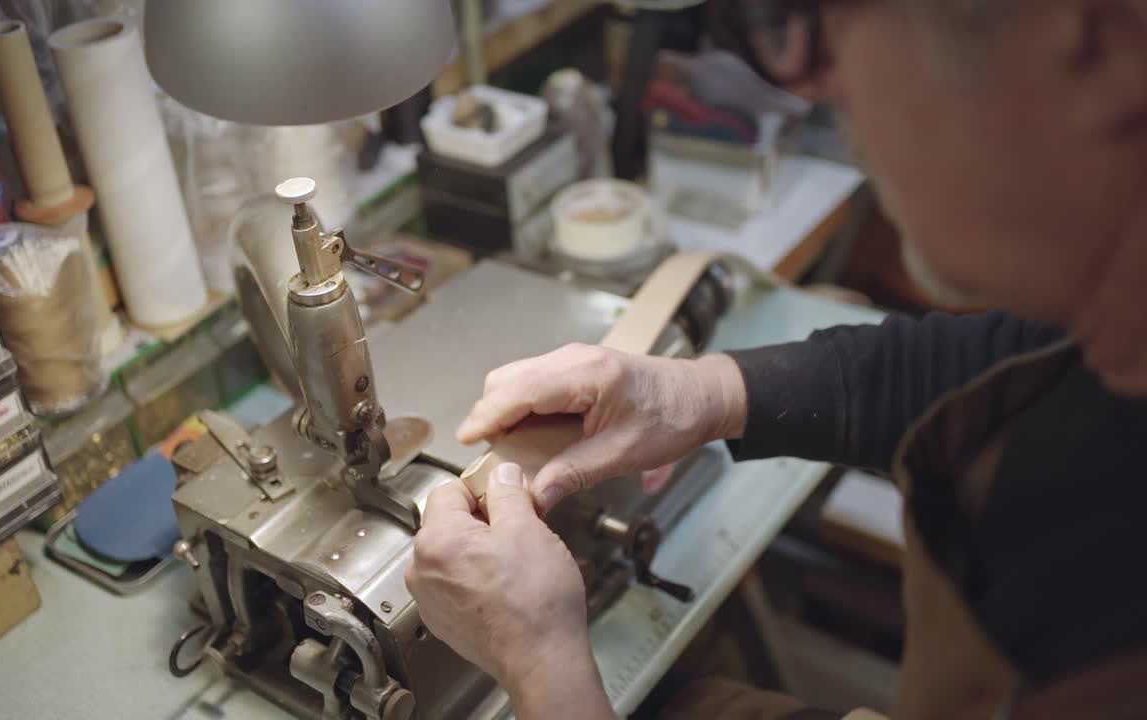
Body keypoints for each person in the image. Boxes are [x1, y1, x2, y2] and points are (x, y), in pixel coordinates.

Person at [405, 0, 1147, 718]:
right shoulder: (1108, 338)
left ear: (1105, 42)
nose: (822, 94)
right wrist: (702, 393)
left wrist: (541, 666)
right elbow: (1000, 365)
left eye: (826, 32)